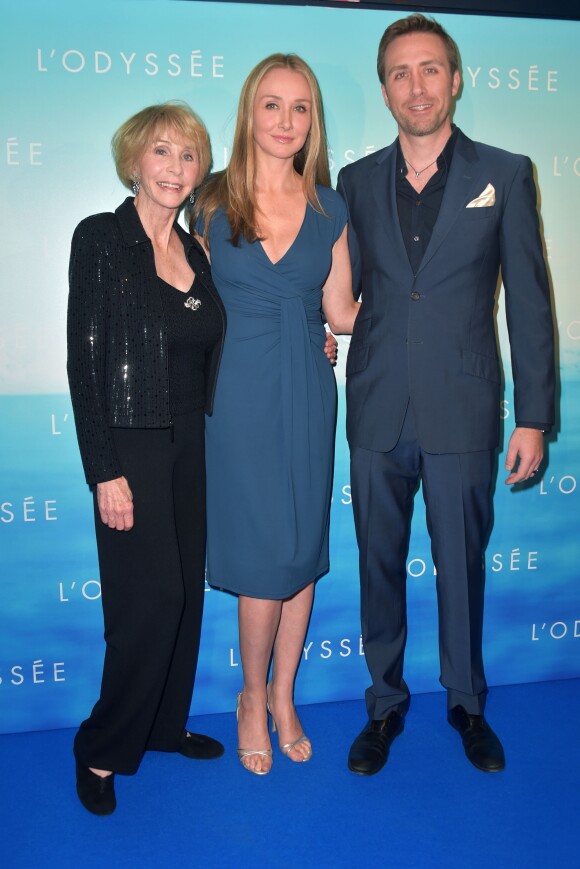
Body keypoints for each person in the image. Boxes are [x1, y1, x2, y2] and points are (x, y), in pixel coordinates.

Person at [337, 14, 555, 776]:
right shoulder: (355, 181)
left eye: (430, 69)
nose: (417, 85)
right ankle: (384, 705)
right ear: (386, 89)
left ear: (456, 79)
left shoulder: (507, 170)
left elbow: (529, 300)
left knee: (462, 565)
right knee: (378, 565)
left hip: (463, 404)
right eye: (400, 73)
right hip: (375, 408)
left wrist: (534, 415)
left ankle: (467, 704)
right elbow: (339, 290)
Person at [193, 54, 359, 775]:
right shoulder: (206, 201)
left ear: (311, 120)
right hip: (234, 393)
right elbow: (184, 302)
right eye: (272, 105)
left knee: (300, 549)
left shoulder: (331, 208)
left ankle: (285, 694)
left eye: (300, 108)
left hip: (307, 389)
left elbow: (343, 312)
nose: (286, 121)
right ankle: (251, 697)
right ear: (249, 113)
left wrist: (429, 302)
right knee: (265, 555)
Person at [67, 102, 226, 814]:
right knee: (148, 601)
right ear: (135, 160)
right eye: (162, 152)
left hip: (190, 438)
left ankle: (161, 726)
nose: (175, 168)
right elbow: (85, 360)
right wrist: (104, 468)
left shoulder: (196, 250)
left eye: (188, 156)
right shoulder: (102, 238)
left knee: (185, 593)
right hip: (130, 441)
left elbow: (210, 342)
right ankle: (100, 747)